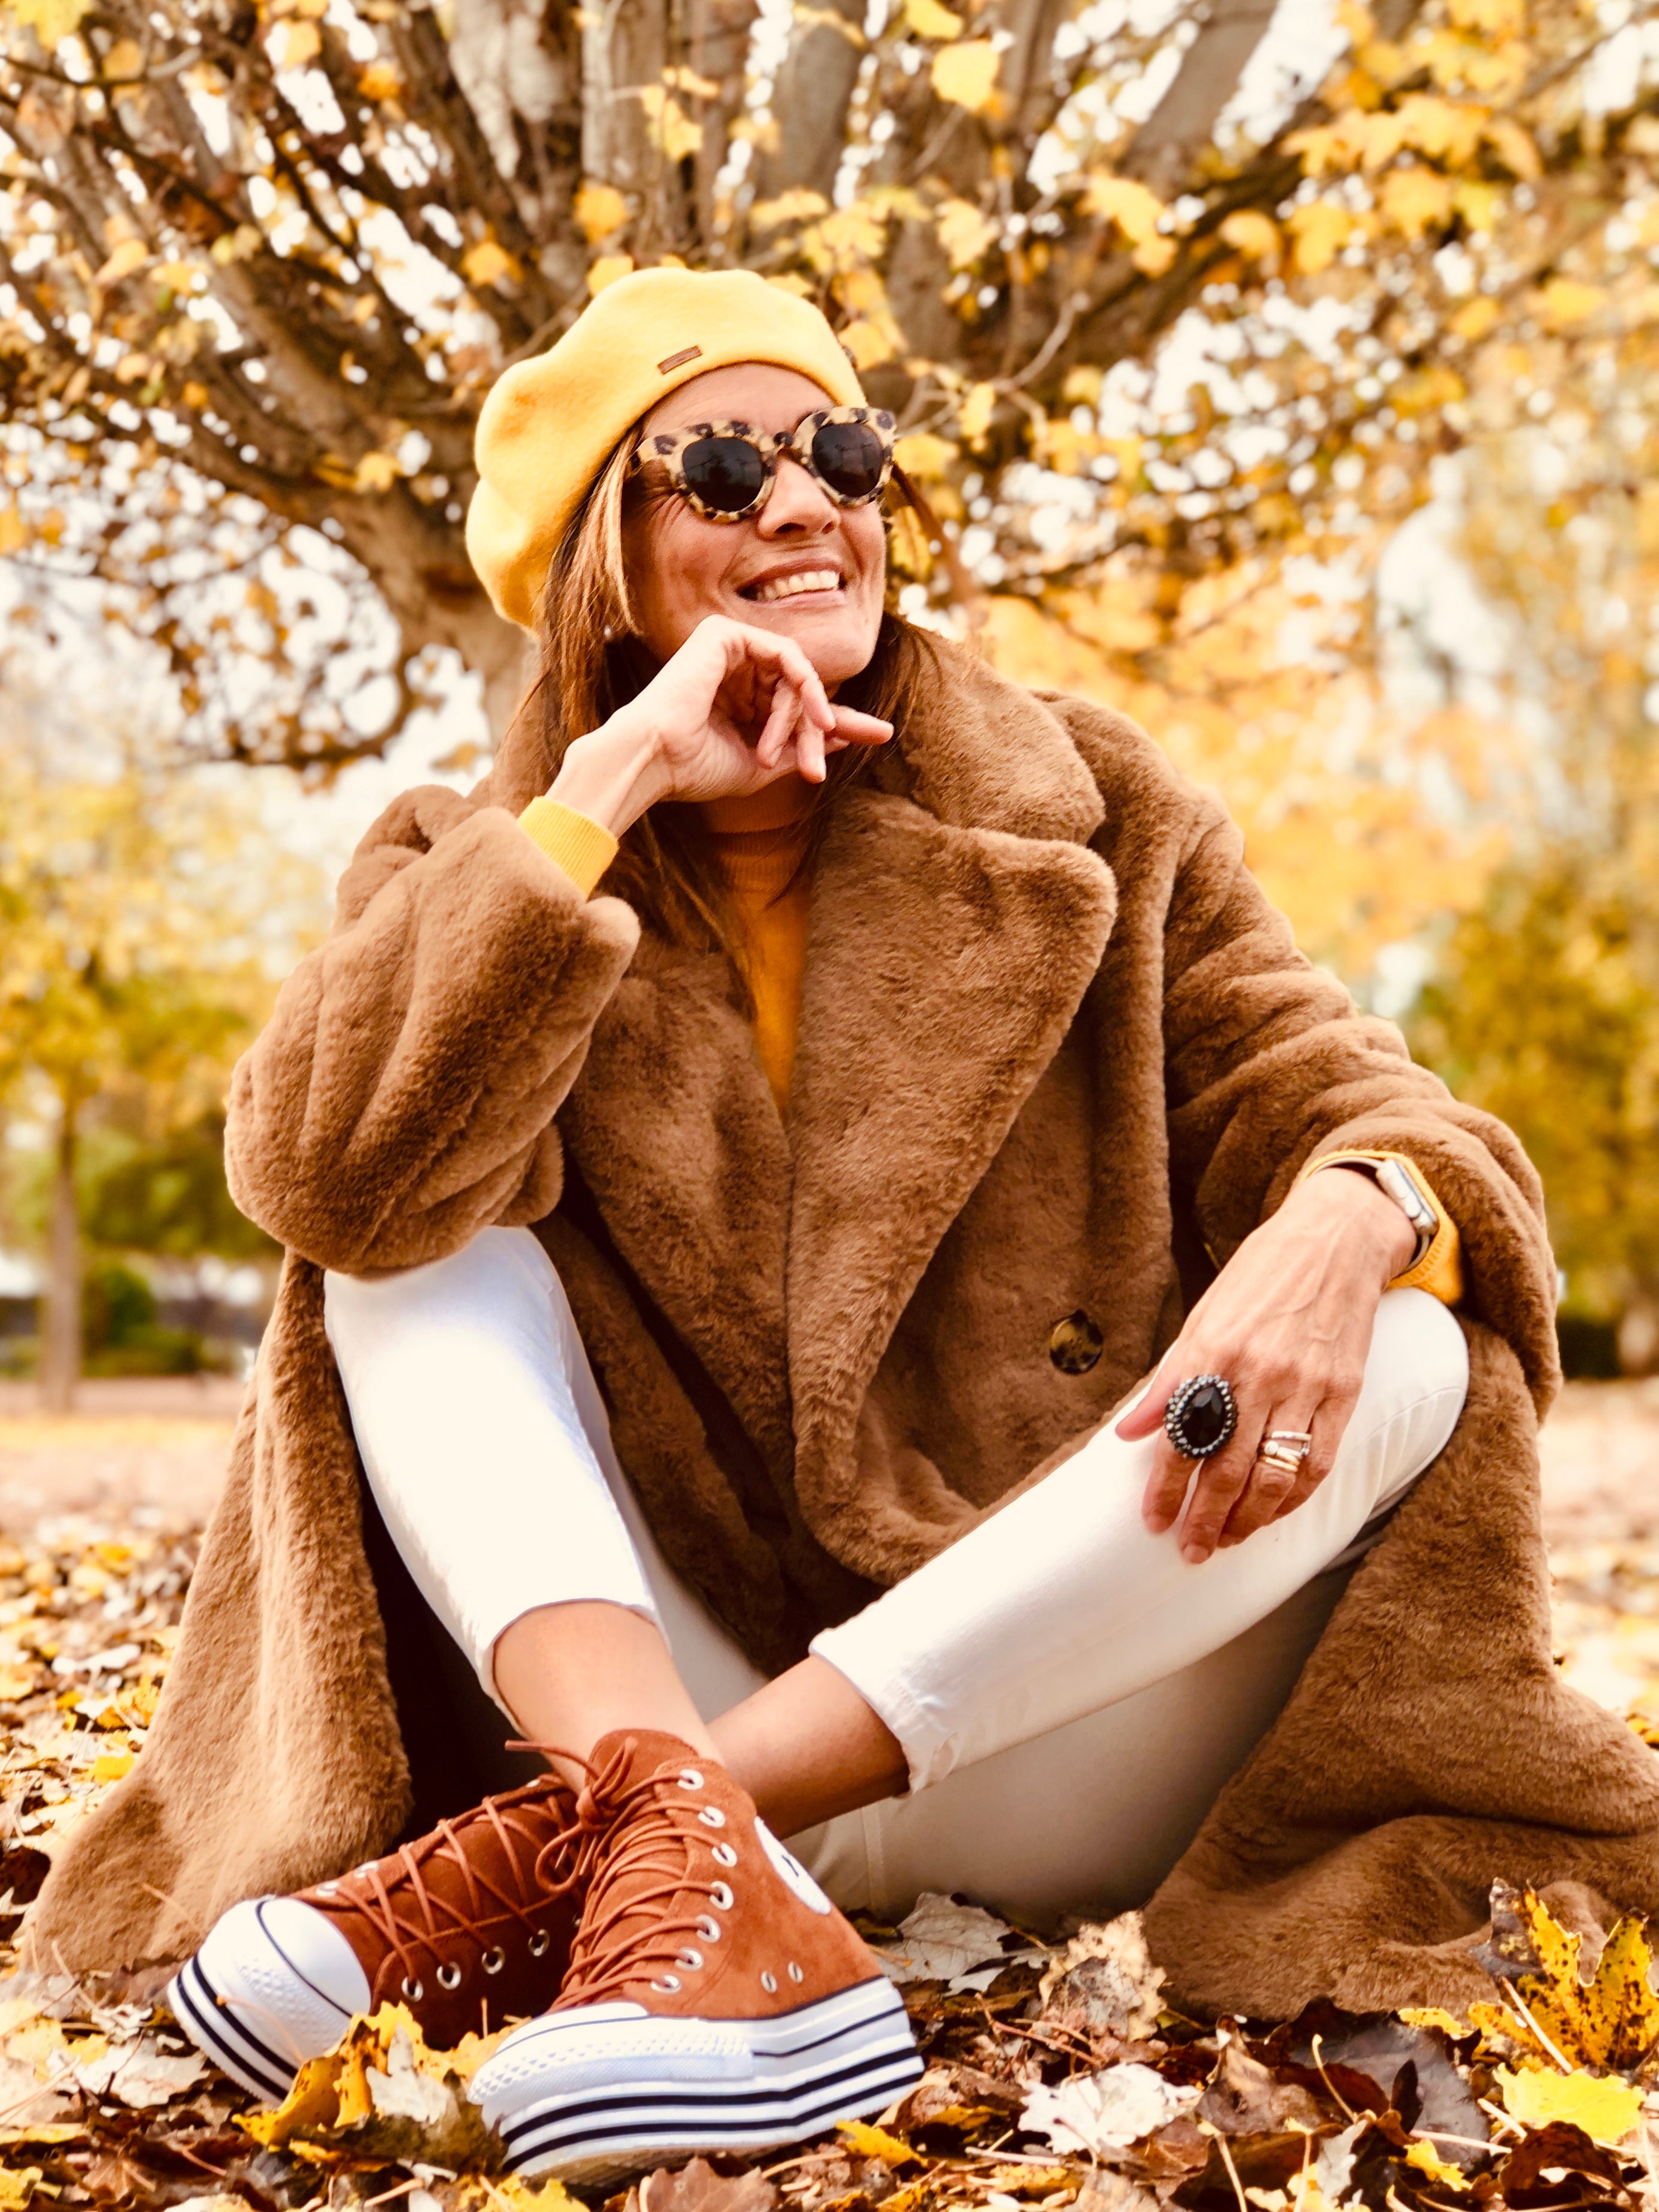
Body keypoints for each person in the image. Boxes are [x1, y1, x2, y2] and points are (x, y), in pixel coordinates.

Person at [28, 269, 1659, 2184]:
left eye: (841, 454)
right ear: (601, 570)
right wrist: (609, 781)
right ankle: (675, 1839)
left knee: (1397, 1320)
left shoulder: (1102, 807)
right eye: (715, 467)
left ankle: (634, 1841)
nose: (801, 504)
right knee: (406, 1242)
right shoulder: (468, 868)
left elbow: (1363, 1093)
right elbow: (327, 1173)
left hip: (1046, 1711)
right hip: (661, 1661)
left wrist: (1357, 1204)